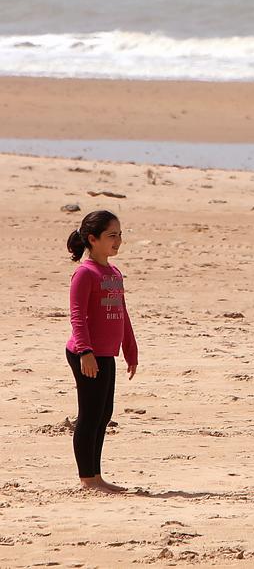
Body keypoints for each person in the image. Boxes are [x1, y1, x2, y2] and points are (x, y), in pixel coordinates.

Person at [65, 210, 138, 493]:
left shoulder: (113, 272)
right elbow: (77, 315)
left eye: (120, 234)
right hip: (87, 354)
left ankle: (96, 476)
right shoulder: (85, 273)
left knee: (104, 412)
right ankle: (88, 479)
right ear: (92, 239)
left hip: (106, 354)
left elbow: (122, 313)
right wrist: (85, 351)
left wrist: (130, 349)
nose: (118, 241)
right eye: (111, 236)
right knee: (90, 414)